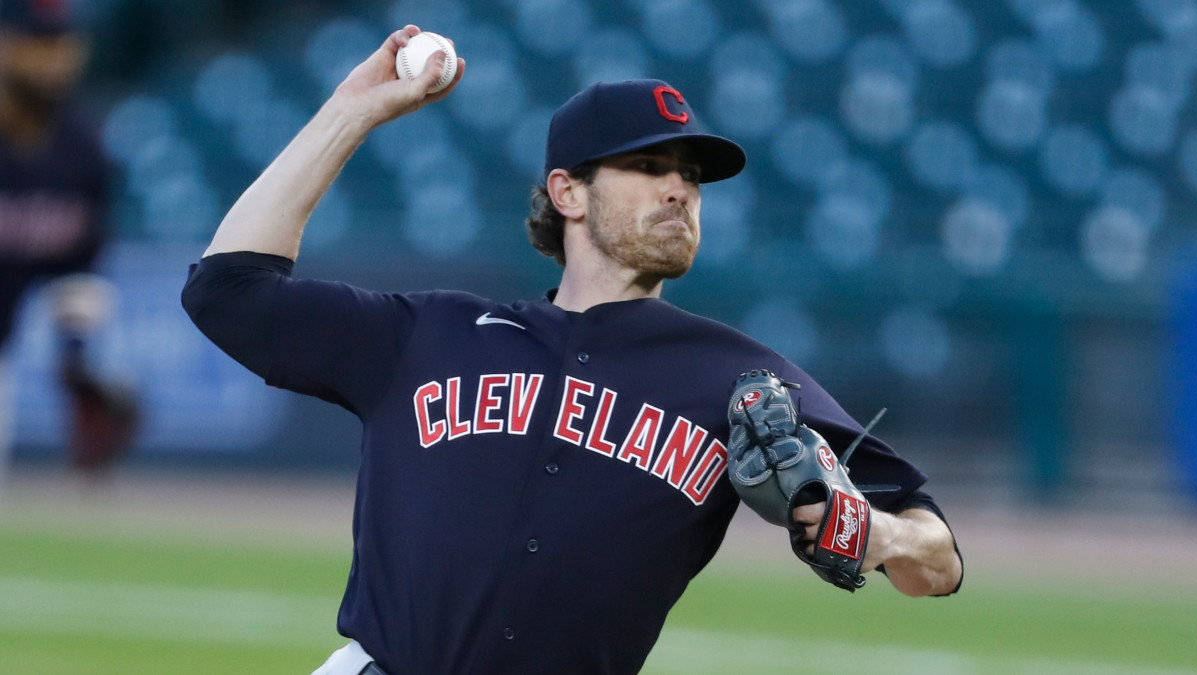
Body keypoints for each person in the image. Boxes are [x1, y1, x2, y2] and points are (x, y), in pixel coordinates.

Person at [182, 26, 963, 675]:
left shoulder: (740, 379)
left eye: (691, 176)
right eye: (650, 165)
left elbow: (940, 560)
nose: (680, 190)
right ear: (568, 193)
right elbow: (227, 292)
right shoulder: (427, 334)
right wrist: (350, 114)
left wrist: (875, 531)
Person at [0, 0, 137, 488]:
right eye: (38, 46)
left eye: (63, 47)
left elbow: (77, 269)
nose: (54, 61)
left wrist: (76, 361)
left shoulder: (82, 152)